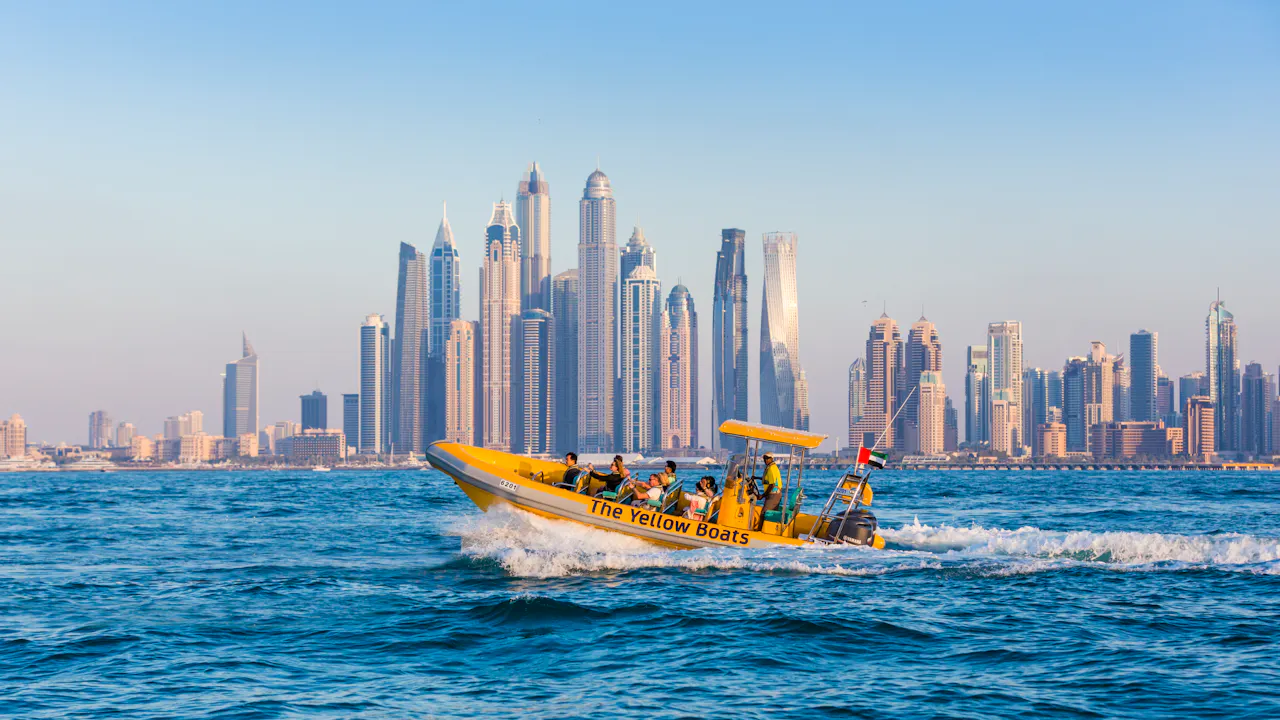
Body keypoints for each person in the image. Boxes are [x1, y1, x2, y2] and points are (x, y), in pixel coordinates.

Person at [755, 453, 783, 530]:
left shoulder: (772, 468)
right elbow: (768, 480)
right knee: (769, 514)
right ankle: (767, 530)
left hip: (773, 494)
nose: (766, 460)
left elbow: (772, 484)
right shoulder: (770, 467)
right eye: (764, 458)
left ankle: (759, 532)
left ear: (772, 458)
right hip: (773, 494)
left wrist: (762, 495)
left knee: (764, 514)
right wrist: (756, 477)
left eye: (767, 458)